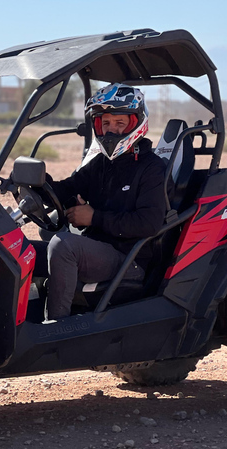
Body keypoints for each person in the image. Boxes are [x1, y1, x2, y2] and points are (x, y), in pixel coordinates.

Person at [42, 83, 167, 320]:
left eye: (120, 123)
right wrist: (39, 183)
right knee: (28, 250)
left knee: (63, 246)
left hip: (129, 260)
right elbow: (67, 188)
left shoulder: (151, 168)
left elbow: (149, 223)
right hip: (99, 250)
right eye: (105, 123)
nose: (111, 131)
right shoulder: (101, 164)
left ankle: (55, 328)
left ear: (135, 123)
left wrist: (94, 217)